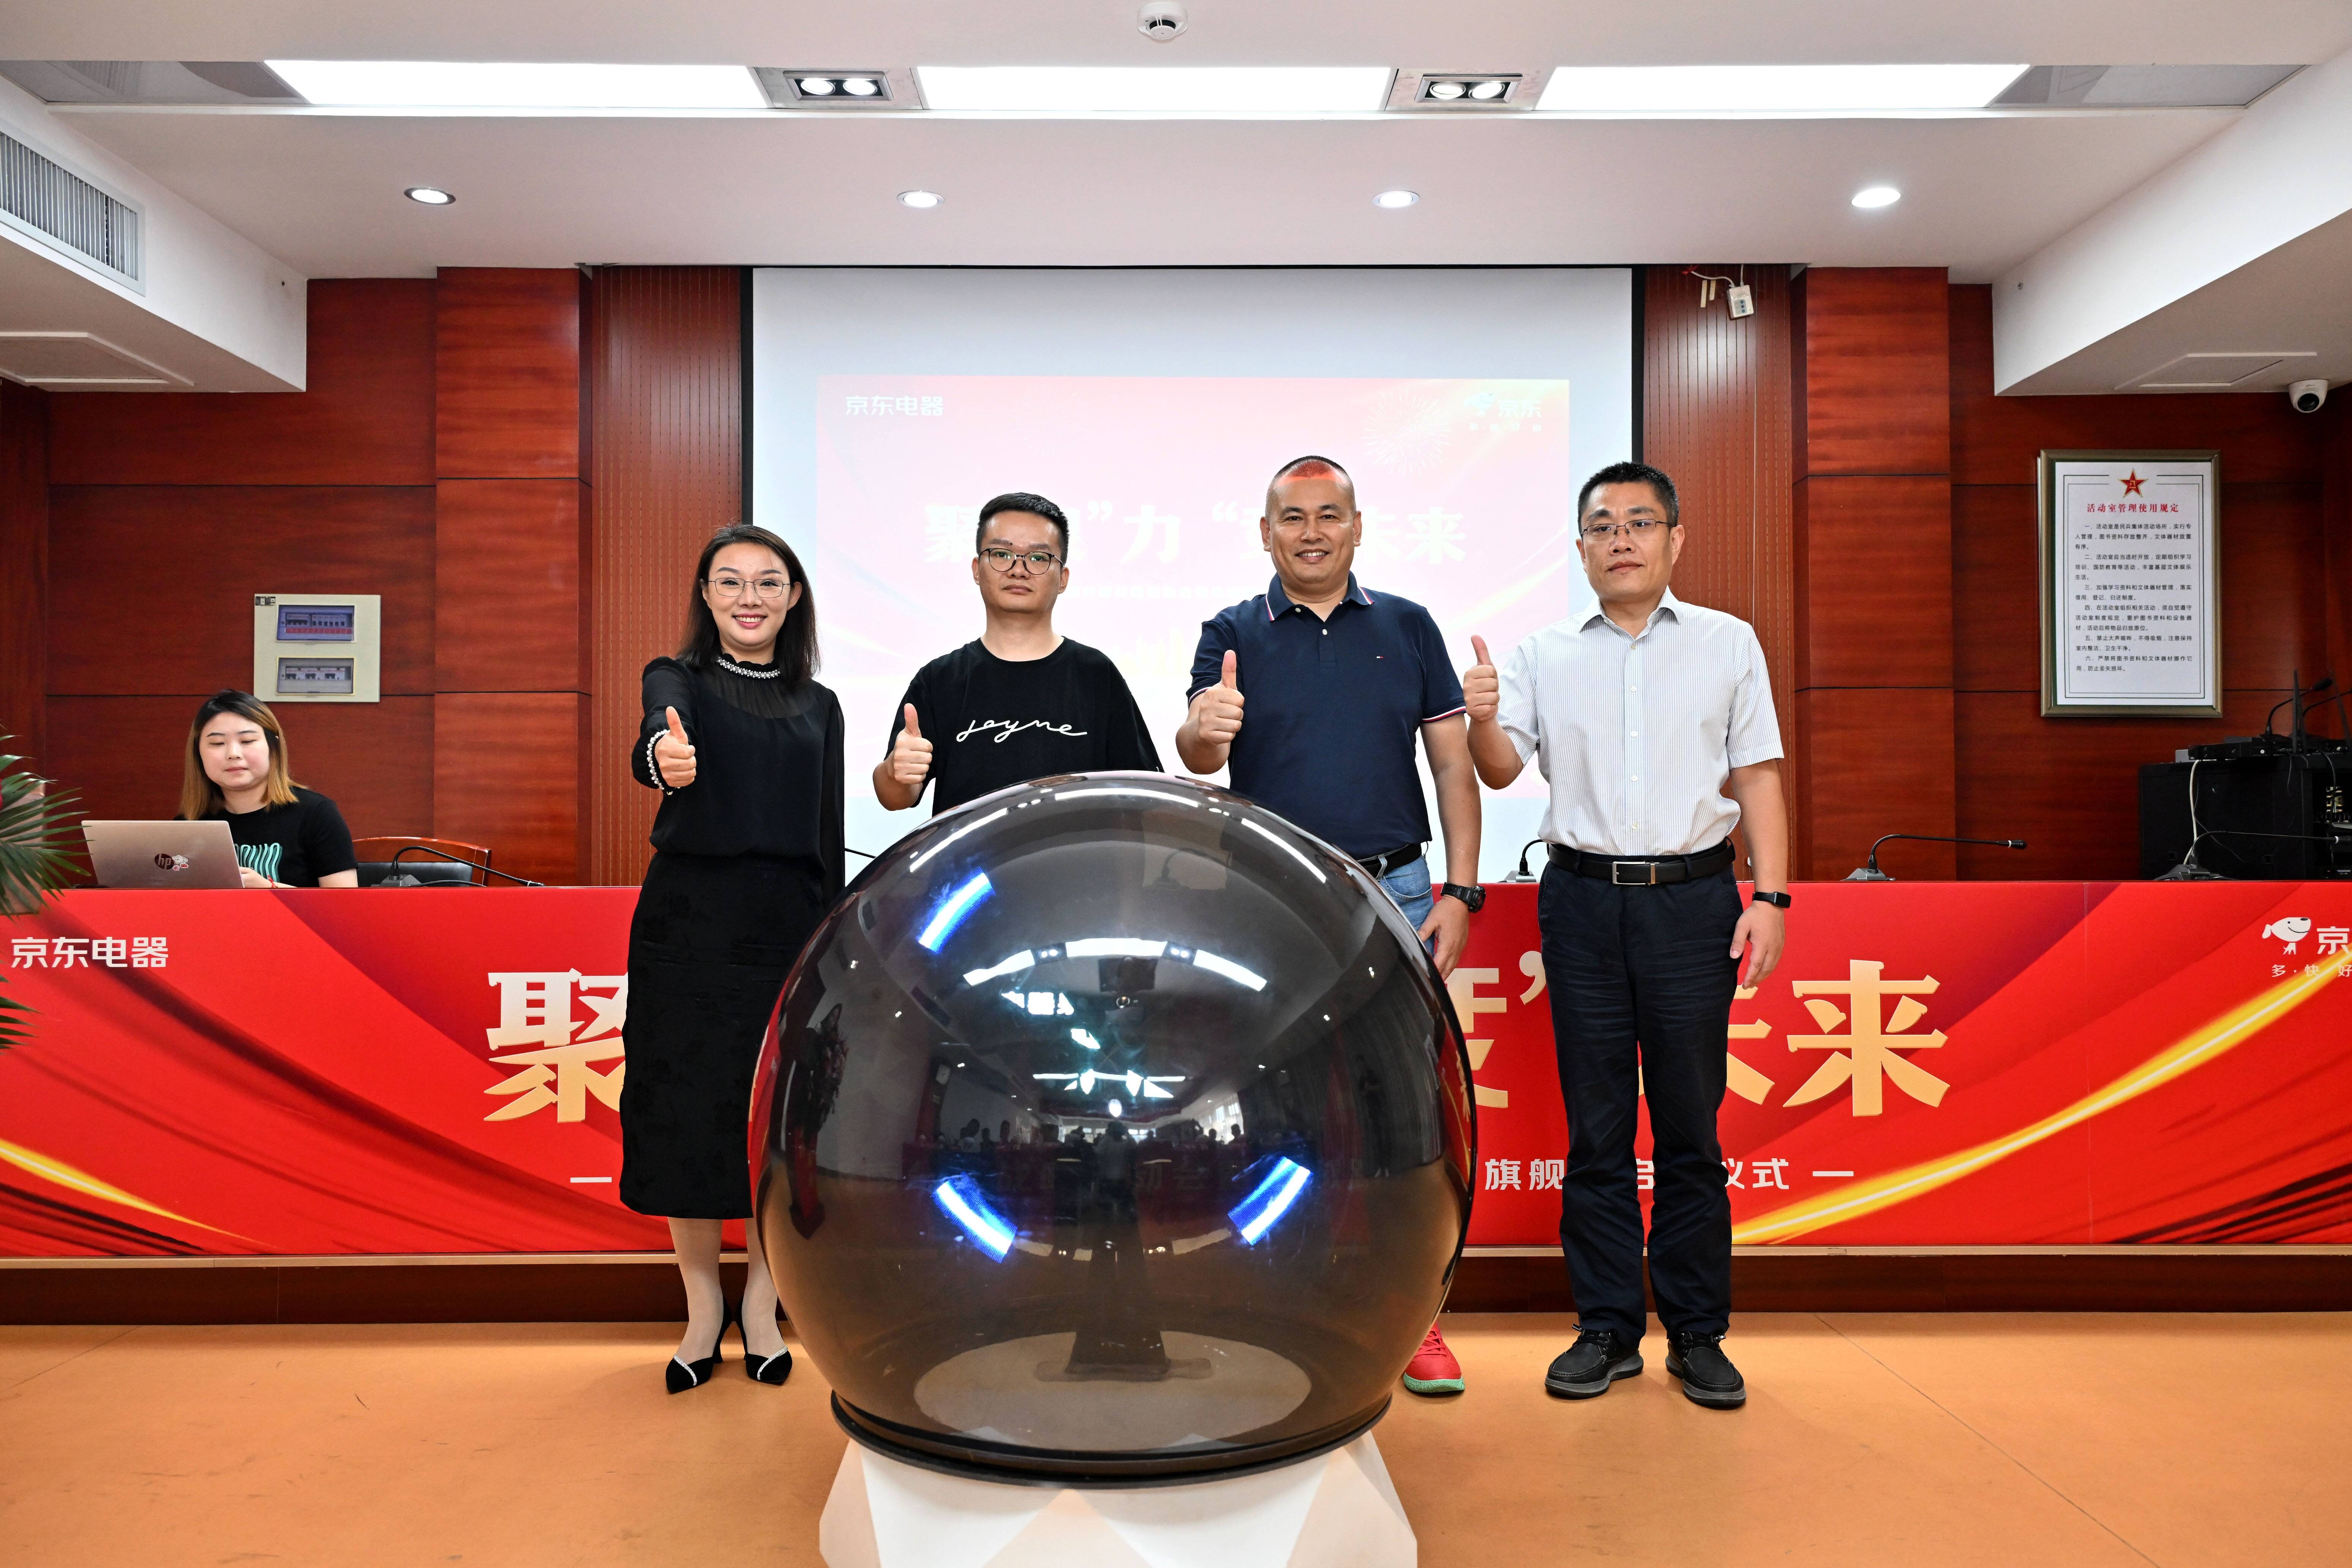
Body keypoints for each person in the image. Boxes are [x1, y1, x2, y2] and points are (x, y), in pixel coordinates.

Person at [1461, 460, 1789, 1412]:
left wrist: (1771, 897)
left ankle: (1696, 1333)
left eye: (1639, 522)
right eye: (1602, 526)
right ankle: (1605, 1328)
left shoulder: (1727, 642)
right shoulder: (1543, 652)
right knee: (1597, 1127)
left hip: (1693, 903)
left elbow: (1758, 775)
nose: (1621, 539)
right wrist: (1482, 719)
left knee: (1690, 1125)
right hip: (1583, 902)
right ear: (1580, 549)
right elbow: (1498, 769)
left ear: (1674, 538)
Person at [1174, 454, 1482, 1398]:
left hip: (1398, 893)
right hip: (1271, 899)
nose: (1311, 532)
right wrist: (1207, 729)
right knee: (1276, 1109)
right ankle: (1281, 1305)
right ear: (1265, 533)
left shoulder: (1408, 624)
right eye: (1292, 517)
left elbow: (1452, 767)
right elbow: (1195, 757)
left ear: (1357, 526)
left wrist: (1463, 891)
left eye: (1329, 515)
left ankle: (1414, 1318)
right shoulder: (1230, 631)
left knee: (1403, 1109)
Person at [624, 523, 844, 1393]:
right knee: (684, 1114)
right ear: (707, 595)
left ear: (793, 597)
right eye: (730, 581)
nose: (749, 597)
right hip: (688, 929)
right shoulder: (677, 678)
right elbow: (658, 736)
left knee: (772, 1126)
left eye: (767, 581)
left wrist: (832, 943)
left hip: (788, 930)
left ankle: (761, 1305)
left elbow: (828, 834)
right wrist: (664, 757)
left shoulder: (820, 704)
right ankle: (700, 1308)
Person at [876, 492, 1160, 814]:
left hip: (1078, 848)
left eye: (1038, 558)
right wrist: (896, 772)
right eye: (1001, 554)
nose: (1019, 570)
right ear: (977, 570)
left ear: (1063, 578)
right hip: (971, 849)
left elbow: (1141, 789)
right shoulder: (940, 679)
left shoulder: (1095, 673)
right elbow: (895, 797)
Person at [178, 690, 357, 888]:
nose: (233, 754)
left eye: (247, 741)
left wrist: (269, 888)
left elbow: (344, 903)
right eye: (218, 743)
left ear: (274, 747)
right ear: (198, 753)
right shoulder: (186, 826)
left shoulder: (317, 814)